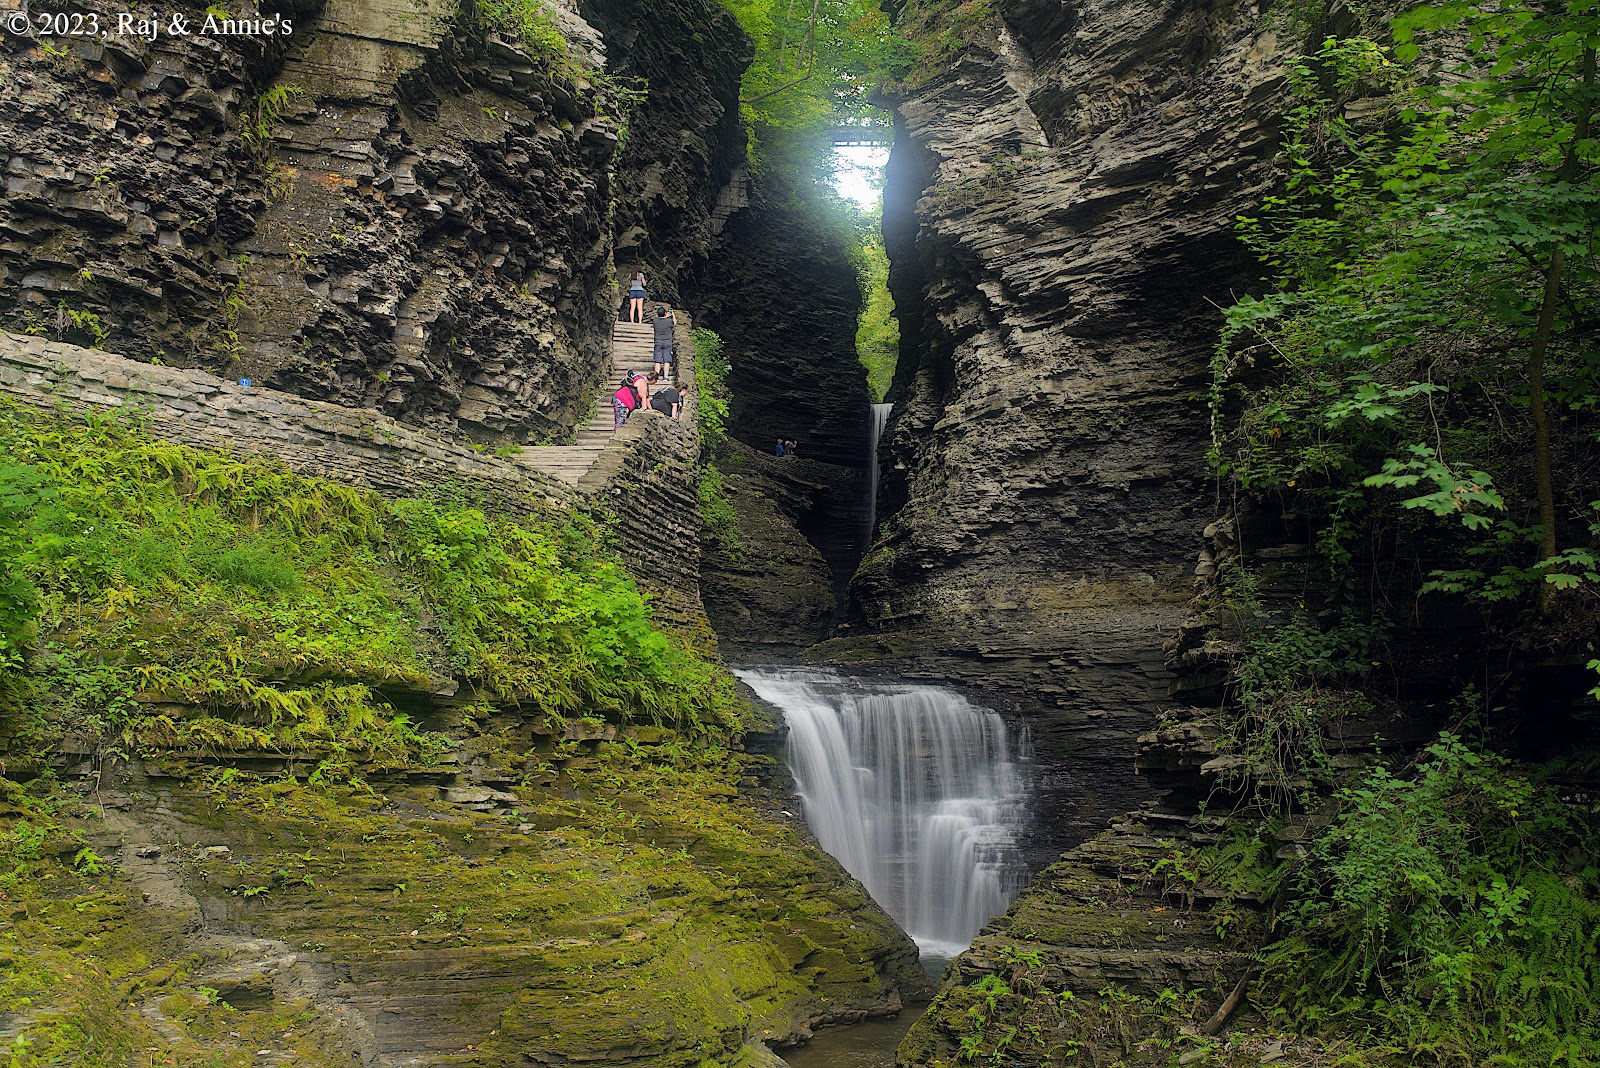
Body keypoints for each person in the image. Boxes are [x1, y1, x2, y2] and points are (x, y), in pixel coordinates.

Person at [652, 306, 676, 376]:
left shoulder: (655, 321)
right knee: (667, 360)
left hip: (658, 342)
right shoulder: (669, 321)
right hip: (667, 342)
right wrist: (673, 315)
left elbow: (661, 320)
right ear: (665, 313)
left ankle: (656, 376)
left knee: (657, 360)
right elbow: (674, 323)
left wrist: (665, 316)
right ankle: (665, 376)